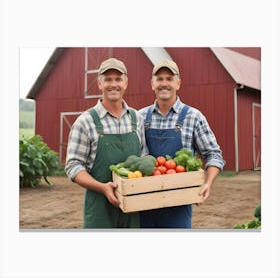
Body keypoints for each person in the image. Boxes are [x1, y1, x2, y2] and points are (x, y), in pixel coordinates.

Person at [139, 59, 225, 228]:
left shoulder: (194, 116)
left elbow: (213, 154)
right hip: (144, 203)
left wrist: (207, 183)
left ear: (178, 83)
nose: (164, 83)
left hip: (179, 205)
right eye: (160, 79)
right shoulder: (139, 117)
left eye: (169, 78)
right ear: (152, 84)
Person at [65, 58, 148, 228]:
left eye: (118, 79)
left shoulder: (137, 119)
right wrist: (102, 187)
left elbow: (143, 157)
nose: (113, 84)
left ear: (126, 83)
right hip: (99, 210)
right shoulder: (85, 122)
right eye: (108, 79)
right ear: (99, 84)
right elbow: (73, 166)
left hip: (132, 208)